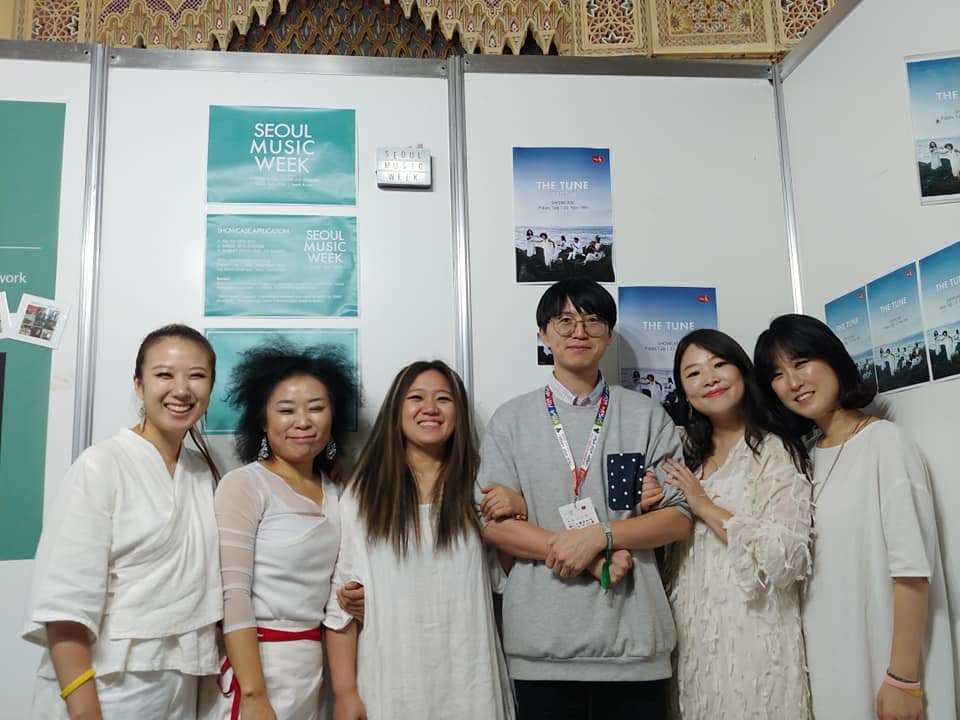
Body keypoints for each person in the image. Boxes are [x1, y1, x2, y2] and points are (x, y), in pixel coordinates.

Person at [477, 278, 692, 720]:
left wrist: (600, 536)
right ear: (543, 334)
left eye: (593, 321)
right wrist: (583, 552)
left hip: (635, 648)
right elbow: (494, 526)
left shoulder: (646, 416)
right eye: (565, 321)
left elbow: (679, 518)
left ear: (608, 335)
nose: (579, 331)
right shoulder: (510, 420)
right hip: (541, 650)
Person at [754, 314, 957, 720]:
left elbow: (912, 571)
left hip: (887, 667)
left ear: (832, 359)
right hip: (830, 665)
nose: (792, 382)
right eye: (777, 374)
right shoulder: (803, 458)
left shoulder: (885, 443)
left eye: (801, 362)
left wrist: (902, 679)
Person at [24, 324, 222, 719]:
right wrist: (85, 709)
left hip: (183, 682)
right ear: (138, 384)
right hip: (106, 684)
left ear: (211, 388)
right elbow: (65, 603)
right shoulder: (101, 465)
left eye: (197, 376)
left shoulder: (204, 474)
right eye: (164, 374)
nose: (181, 390)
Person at [325, 360, 514, 720]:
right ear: (396, 410)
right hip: (392, 684)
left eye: (443, 399)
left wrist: (515, 512)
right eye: (416, 398)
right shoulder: (364, 494)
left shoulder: (481, 484)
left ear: (459, 413)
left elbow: (503, 577)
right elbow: (340, 609)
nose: (430, 408)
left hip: (469, 681)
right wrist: (345, 694)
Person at [649, 329, 813, 719]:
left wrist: (704, 505)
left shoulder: (775, 449)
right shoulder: (684, 453)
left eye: (719, 364)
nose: (709, 378)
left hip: (755, 634)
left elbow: (785, 557)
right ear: (684, 392)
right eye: (693, 373)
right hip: (693, 635)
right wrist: (651, 503)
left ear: (742, 371)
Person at [199, 342, 359, 720]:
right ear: (263, 420)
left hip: (312, 671)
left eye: (316, 408)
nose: (303, 421)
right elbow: (233, 595)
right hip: (256, 668)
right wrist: (254, 694)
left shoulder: (339, 491)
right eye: (286, 410)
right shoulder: (245, 485)